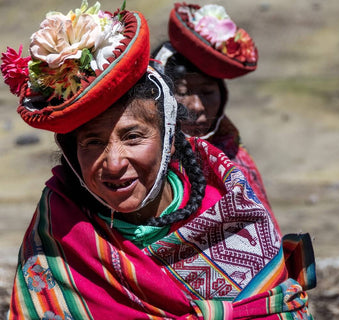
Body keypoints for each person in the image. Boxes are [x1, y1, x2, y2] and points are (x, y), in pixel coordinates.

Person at [1, 1, 316, 318]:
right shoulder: (60, 229)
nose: (113, 163)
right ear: (71, 153)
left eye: (133, 137)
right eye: (92, 142)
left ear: (169, 139)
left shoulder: (230, 211)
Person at [151, 3, 276, 227]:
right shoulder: (138, 163)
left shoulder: (235, 159)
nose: (197, 105)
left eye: (208, 92)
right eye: (182, 93)